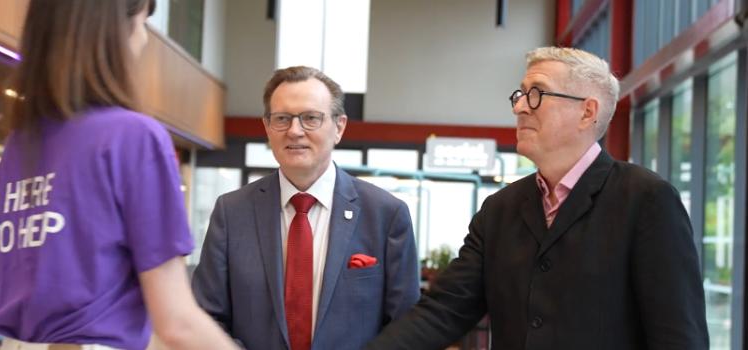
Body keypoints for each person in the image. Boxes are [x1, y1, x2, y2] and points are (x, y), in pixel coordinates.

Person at [366, 47, 709, 349]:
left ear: (587, 113)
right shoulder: (500, 209)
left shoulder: (646, 200)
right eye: (520, 95)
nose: (520, 108)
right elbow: (444, 310)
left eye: (537, 95)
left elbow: (678, 337)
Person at [0, 1, 238, 349]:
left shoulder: (20, 144)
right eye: (142, 23)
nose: (143, 40)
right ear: (109, 34)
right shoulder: (133, 137)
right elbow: (176, 321)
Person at [191, 66, 420, 350]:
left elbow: (406, 328)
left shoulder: (386, 215)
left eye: (311, 118)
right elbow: (205, 315)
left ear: (339, 127)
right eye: (282, 119)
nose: (295, 131)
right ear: (267, 127)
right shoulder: (232, 212)